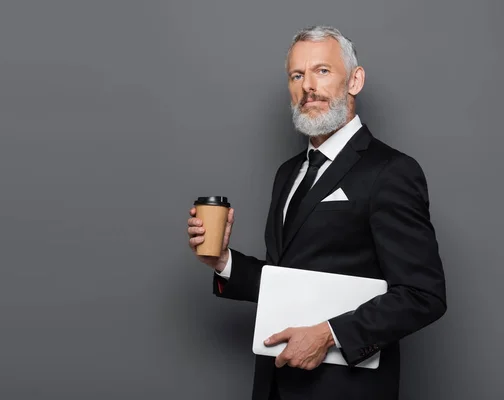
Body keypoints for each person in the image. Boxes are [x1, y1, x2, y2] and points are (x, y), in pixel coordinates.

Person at [186, 26, 447, 400]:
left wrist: (330, 335)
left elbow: (423, 294)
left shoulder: (391, 171)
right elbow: (290, 280)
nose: (308, 85)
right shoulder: (288, 173)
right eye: (297, 75)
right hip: (274, 383)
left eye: (322, 71)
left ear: (355, 80)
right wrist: (223, 262)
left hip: (346, 390)